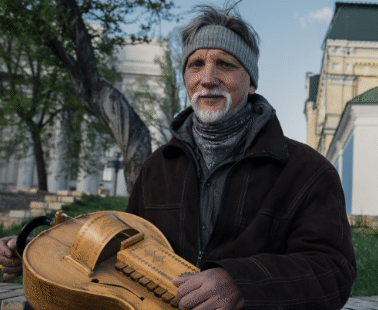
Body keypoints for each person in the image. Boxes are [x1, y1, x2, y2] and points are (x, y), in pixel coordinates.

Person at [0, 4, 357, 309]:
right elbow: (125, 253)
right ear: (186, 78)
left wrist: (242, 285)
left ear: (251, 83)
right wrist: (43, 253)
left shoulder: (307, 171)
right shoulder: (159, 167)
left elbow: (332, 271)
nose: (208, 78)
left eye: (226, 65)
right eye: (196, 64)